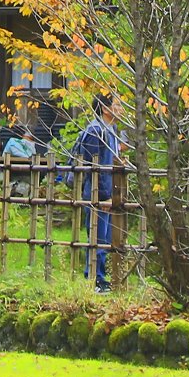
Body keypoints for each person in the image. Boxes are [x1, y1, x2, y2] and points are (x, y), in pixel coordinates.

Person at [71, 92, 123, 292]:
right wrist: (103, 194)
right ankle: (95, 279)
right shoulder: (95, 131)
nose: (120, 109)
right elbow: (93, 165)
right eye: (116, 105)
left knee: (106, 237)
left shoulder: (111, 130)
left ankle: (101, 278)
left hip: (110, 190)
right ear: (105, 108)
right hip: (97, 192)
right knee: (97, 237)